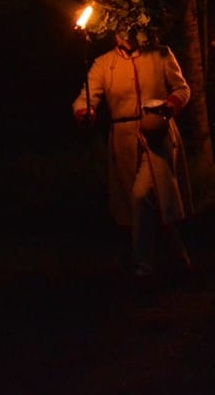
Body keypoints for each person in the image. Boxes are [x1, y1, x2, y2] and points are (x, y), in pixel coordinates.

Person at [73, 19, 193, 282]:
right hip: (124, 140)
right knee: (142, 203)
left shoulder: (160, 53)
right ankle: (179, 258)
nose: (126, 34)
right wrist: (85, 112)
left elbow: (182, 88)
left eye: (131, 27)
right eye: (121, 28)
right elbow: (86, 97)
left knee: (144, 196)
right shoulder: (103, 63)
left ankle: (143, 266)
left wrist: (169, 107)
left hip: (157, 134)